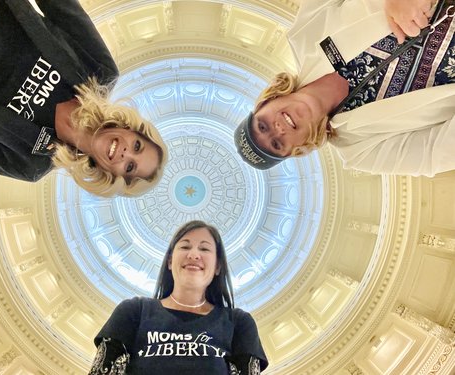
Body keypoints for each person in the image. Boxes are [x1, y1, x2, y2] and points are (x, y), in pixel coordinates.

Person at [0, 0, 168, 197]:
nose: (126, 153)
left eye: (129, 167)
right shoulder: (100, 72)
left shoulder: (31, 164)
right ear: (132, 131)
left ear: (111, 176)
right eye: (137, 146)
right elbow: (61, 7)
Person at [234, 0, 455, 177]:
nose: (277, 129)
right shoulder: (361, 152)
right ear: (297, 149)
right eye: (276, 143)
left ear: (265, 102)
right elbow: (439, 151)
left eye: (262, 126)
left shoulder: (304, 34)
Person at [89, 220, 269, 374]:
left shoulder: (239, 322)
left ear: (217, 267)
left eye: (204, 249)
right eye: (185, 246)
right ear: (169, 261)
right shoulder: (134, 310)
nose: (193, 255)